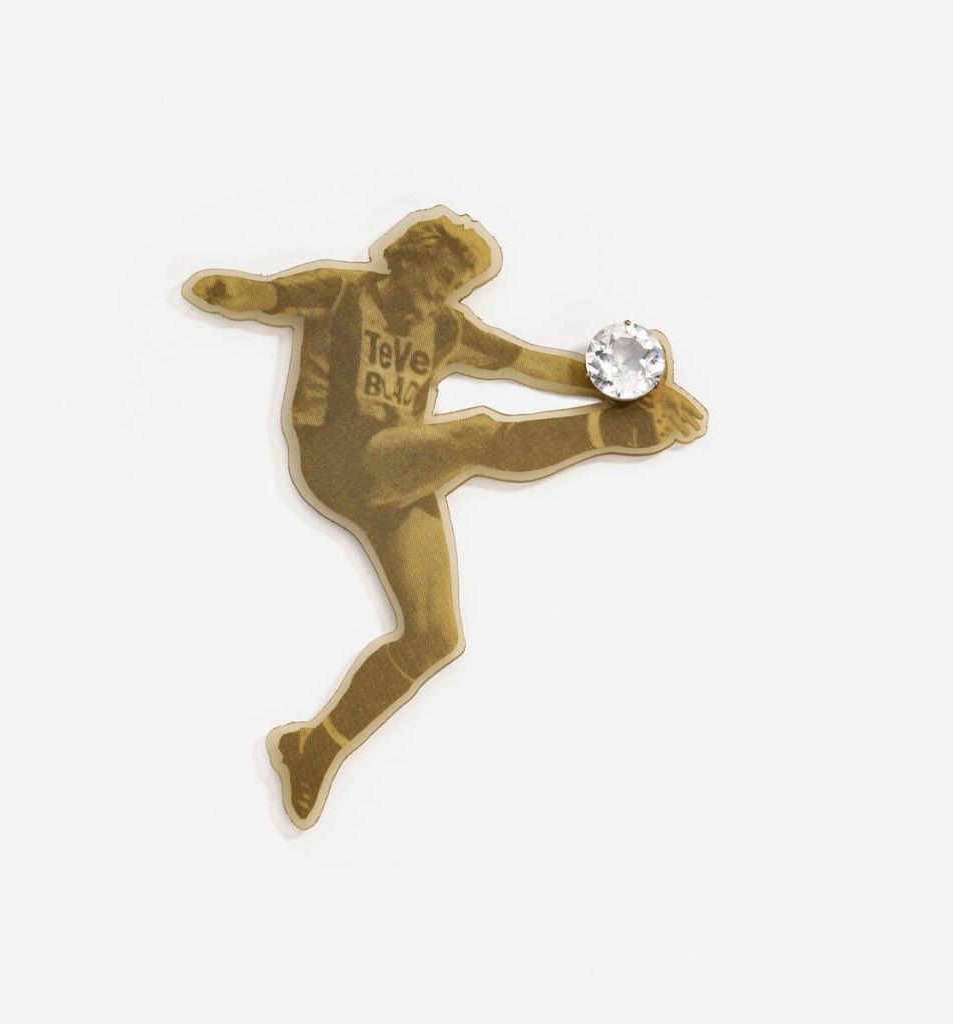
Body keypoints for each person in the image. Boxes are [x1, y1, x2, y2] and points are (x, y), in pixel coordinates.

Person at [183, 207, 706, 828]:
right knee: (475, 434)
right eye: (435, 277)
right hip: (341, 456)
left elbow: (529, 363)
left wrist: (631, 385)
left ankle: (316, 745)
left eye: (453, 286)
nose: (439, 295)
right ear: (404, 259)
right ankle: (608, 435)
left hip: (401, 473)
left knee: (434, 637)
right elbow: (270, 297)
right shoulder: (342, 290)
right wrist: (231, 291)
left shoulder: (445, 326)